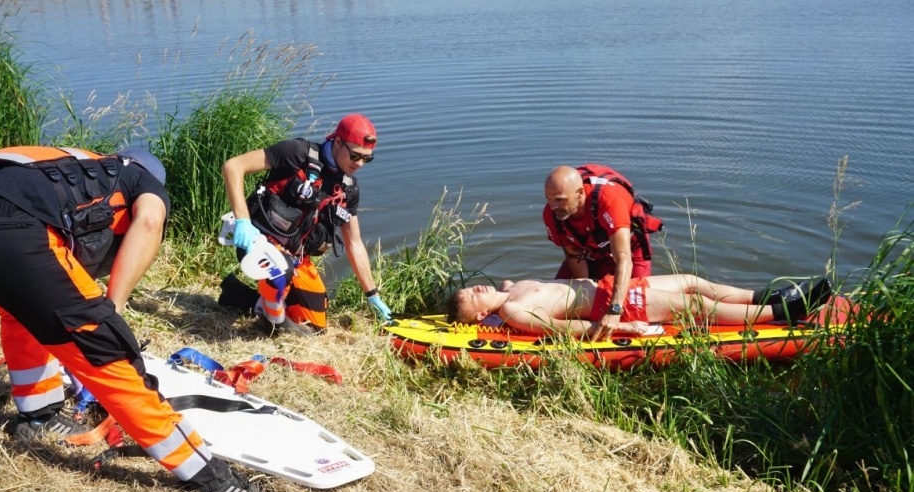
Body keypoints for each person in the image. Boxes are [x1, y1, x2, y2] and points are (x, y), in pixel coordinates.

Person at [0, 145, 260, 492]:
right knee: (107, 351)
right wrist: (112, 307)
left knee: (22, 310)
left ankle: (39, 416)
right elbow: (151, 220)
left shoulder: (63, 163)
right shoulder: (141, 179)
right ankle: (209, 477)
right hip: (13, 231)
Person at [219, 113, 391, 335]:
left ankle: (237, 295)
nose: (359, 164)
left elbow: (354, 243)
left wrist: (373, 295)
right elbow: (233, 166)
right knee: (280, 271)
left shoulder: (349, 189)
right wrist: (243, 221)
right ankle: (274, 322)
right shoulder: (298, 153)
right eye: (355, 155)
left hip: (295, 256)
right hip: (258, 240)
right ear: (337, 141)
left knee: (315, 326)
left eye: (366, 159)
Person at [447, 275, 832, 342]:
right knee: (696, 305)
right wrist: (617, 328)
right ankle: (785, 314)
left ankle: (765, 296)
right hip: (615, 307)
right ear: (481, 315)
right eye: (471, 297)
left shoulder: (508, 289)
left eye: (469, 288)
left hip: (612, 286)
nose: (475, 289)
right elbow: (564, 330)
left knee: (691, 281)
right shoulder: (515, 312)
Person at [542, 164, 663, 338]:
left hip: (629, 253)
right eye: (549, 198)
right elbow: (573, 254)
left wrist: (614, 310)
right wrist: (586, 295)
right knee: (558, 297)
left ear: (580, 194)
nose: (553, 206)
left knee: (636, 302)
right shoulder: (552, 214)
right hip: (590, 253)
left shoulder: (609, 200)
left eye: (560, 199)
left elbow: (623, 258)